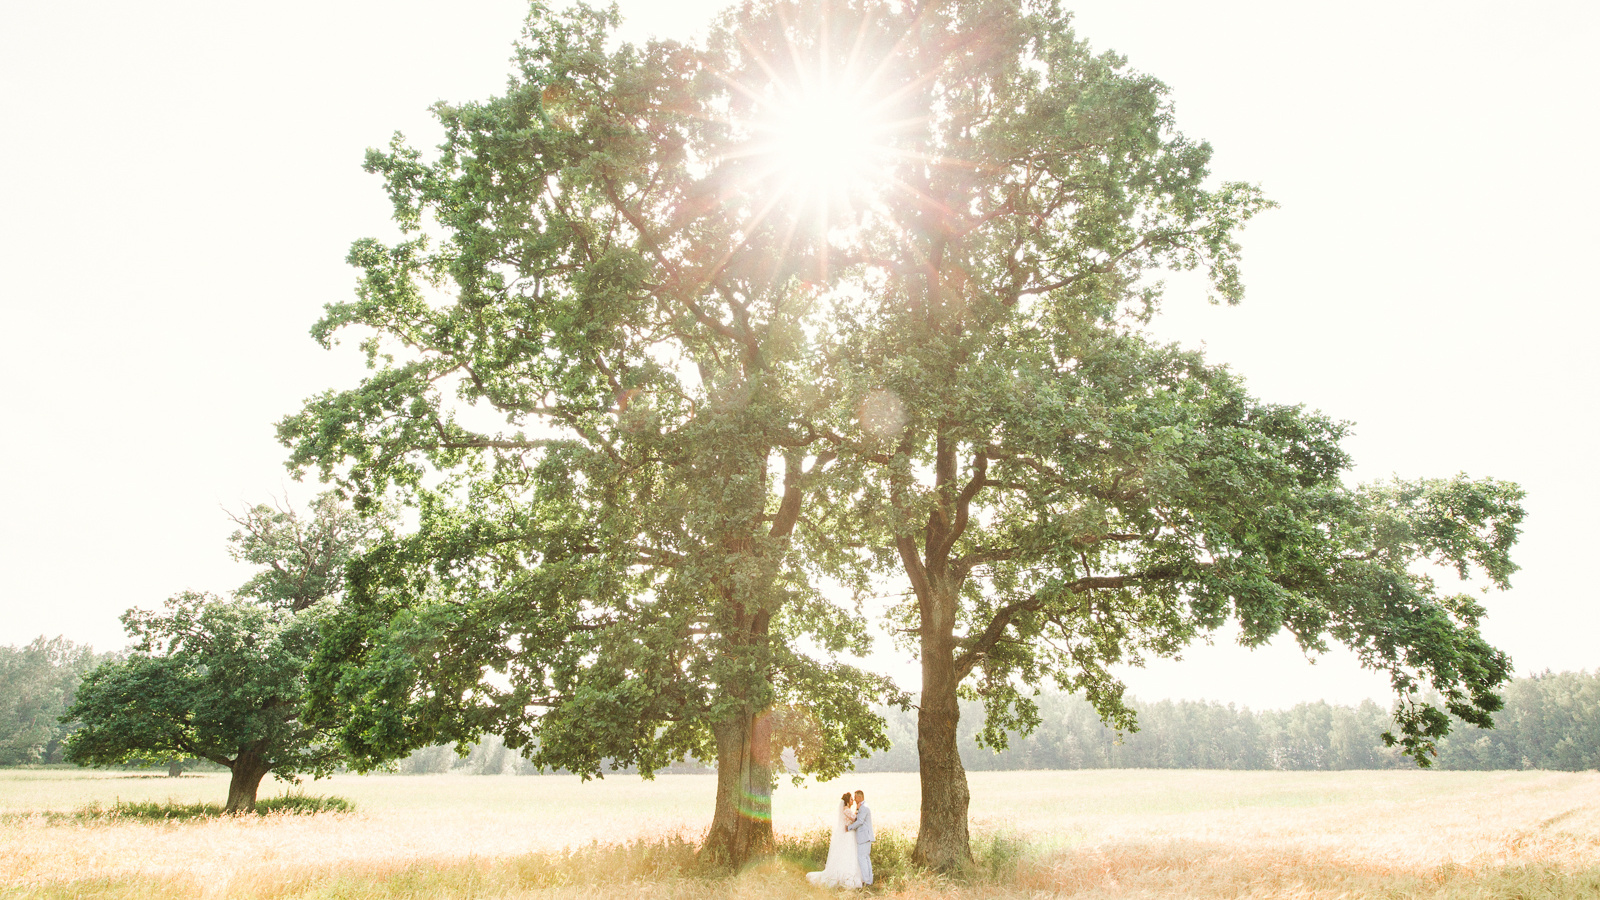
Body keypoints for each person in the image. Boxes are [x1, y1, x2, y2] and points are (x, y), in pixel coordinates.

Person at [806, 791, 864, 888]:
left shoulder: (847, 809)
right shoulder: (846, 810)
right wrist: (858, 809)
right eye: (851, 799)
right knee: (848, 854)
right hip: (848, 835)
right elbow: (855, 819)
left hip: (849, 833)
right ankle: (846, 874)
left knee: (850, 854)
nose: (852, 800)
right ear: (847, 801)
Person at [845, 788, 874, 886]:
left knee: (862, 858)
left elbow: (860, 821)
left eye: (855, 797)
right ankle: (869, 880)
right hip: (865, 837)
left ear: (860, 797)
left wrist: (849, 827)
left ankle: (866, 881)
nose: (854, 799)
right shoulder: (862, 807)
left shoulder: (864, 807)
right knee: (866, 858)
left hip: (864, 837)